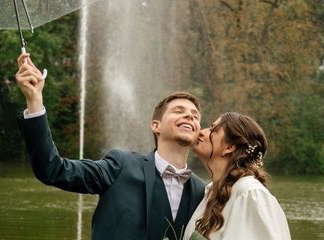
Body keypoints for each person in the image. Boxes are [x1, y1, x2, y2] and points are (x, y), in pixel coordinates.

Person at [15, 52, 206, 240]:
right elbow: (52, 169)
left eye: (195, 115)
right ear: (156, 126)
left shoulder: (202, 191)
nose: (189, 116)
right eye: (178, 111)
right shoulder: (121, 166)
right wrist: (34, 100)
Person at [182, 112, 291, 240]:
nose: (201, 132)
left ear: (229, 147)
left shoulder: (250, 193)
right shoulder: (209, 193)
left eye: (213, 129)